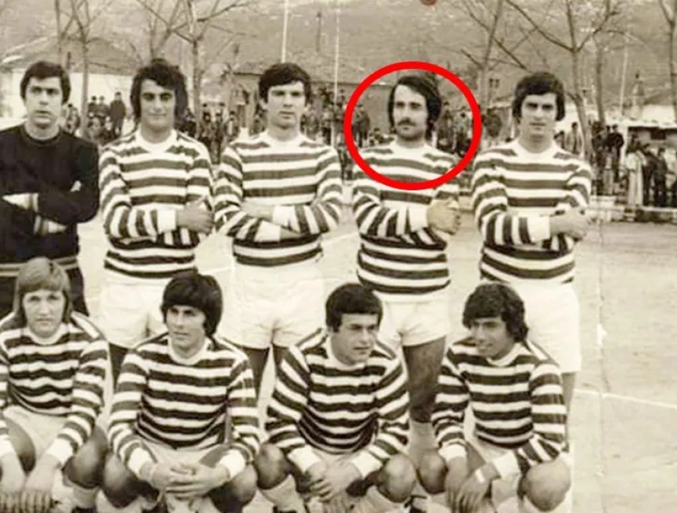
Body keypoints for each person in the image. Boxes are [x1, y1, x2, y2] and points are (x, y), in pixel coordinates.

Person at [351, 72, 460, 511]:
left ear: (431, 114)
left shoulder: (445, 164)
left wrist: (399, 217)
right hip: (377, 297)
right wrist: (422, 215)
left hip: (427, 296)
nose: (406, 114)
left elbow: (444, 232)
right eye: (399, 105)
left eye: (415, 106)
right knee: (367, 395)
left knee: (423, 400)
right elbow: (366, 220)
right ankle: (365, 490)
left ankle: (415, 495)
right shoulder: (370, 159)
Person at [214, 62, 344, 395]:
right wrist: (299, 224)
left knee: (295, 394)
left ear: (307, 104)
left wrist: (265, 211)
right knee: (242, 392)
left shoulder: (323, 155)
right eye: (279, 94)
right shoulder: (239, 152)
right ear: (263, 100)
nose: (287, 102)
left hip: (301, 282)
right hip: (250, 281)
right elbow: (227, 218)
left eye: (296, 95)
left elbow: (328, 217)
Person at [471, 71, 592, 411]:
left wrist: (519, 224)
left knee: (555, 406)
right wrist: (556, 222)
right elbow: (493, 228)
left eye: (547, 107)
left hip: (554, 294)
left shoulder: (576, 169)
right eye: (532, 106)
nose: (539, 115)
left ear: (558, 114)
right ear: (518, 111)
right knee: (496, 404)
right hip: (499, 293)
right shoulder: (491, 161)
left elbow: (563, 243)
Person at [102, 272, 260, 513]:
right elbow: (118, 427)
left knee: (244, 481)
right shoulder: (140, 355)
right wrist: (149, 470)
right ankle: (151, 502)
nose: (178, 323)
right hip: (152, 448)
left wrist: (216, 475)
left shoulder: (233, 361)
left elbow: (249, 436)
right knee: (114, 473)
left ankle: (202, 504)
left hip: (204, 454)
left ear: (208, 320)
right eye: (173, 312)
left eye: (189, 314)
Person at [98, 58, 214, 383]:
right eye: (149, 97)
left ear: (178, 102)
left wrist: (140, 223)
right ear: (137, 102)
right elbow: (116, 224)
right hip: (123, 285)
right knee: (126, 383)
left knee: (174, 385)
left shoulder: (195, 153)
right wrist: (177, 216)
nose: (157, 106)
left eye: (165, 97)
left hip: (176, 288)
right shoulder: (114, 154)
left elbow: (198, 231)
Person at [255, 283, 416, 513]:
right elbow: (279, 422)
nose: (366, 339)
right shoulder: (303, 356)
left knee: (403, 472)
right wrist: (316, 469)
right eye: (355, 328)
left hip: (356, 455)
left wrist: (351, 471)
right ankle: (295, 508)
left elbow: (397, 429)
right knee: (266, 457)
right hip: (310, 454)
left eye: (372, 329)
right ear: (331, 329)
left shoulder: (386, 362)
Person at [0, 258, 109, 513]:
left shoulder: (90, 338)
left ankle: (83, 505)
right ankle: (6, 497)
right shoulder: (1, 334)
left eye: (53, 298)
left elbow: (84, 412)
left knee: (89, 459)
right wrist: (8, 461)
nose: (44, 310)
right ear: (20, 302)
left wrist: (47, 465)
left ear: (66, 301)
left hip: (70, 418)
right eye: (34, 299)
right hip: (25, 418)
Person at [419, 283, 570, 513]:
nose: (479, 336)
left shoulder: (540, 367)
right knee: (432, 467)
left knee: (549, 485)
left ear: (513, 327)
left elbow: (549, 442)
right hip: (484, 448)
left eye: (490, 326)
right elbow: (446, 415)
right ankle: (480, 503)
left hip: (531, 458)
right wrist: (457, 461)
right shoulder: (459, 354)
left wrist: (487, 473)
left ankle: (518, 501)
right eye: (475, 325)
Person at [0, 60, 99, 331]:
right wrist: (48, 219)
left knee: (68, 352)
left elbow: (88, 205)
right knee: (1, 353)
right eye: (36, 91)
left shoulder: (83, 151)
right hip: (5, 275)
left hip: (62, 273)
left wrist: (32, 201)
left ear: (64, 101)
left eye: (52, 92)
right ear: (24, 97)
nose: (44, 100)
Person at [624, 142, 644, 209]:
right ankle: (630, 202)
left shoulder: (640, 156)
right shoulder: (630, 156)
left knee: (639, 187)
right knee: (631, 187)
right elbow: (627, 165)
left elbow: (645, 163)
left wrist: (641, 156)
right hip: (632, 172)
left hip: (639, 173)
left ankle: (638, 202)